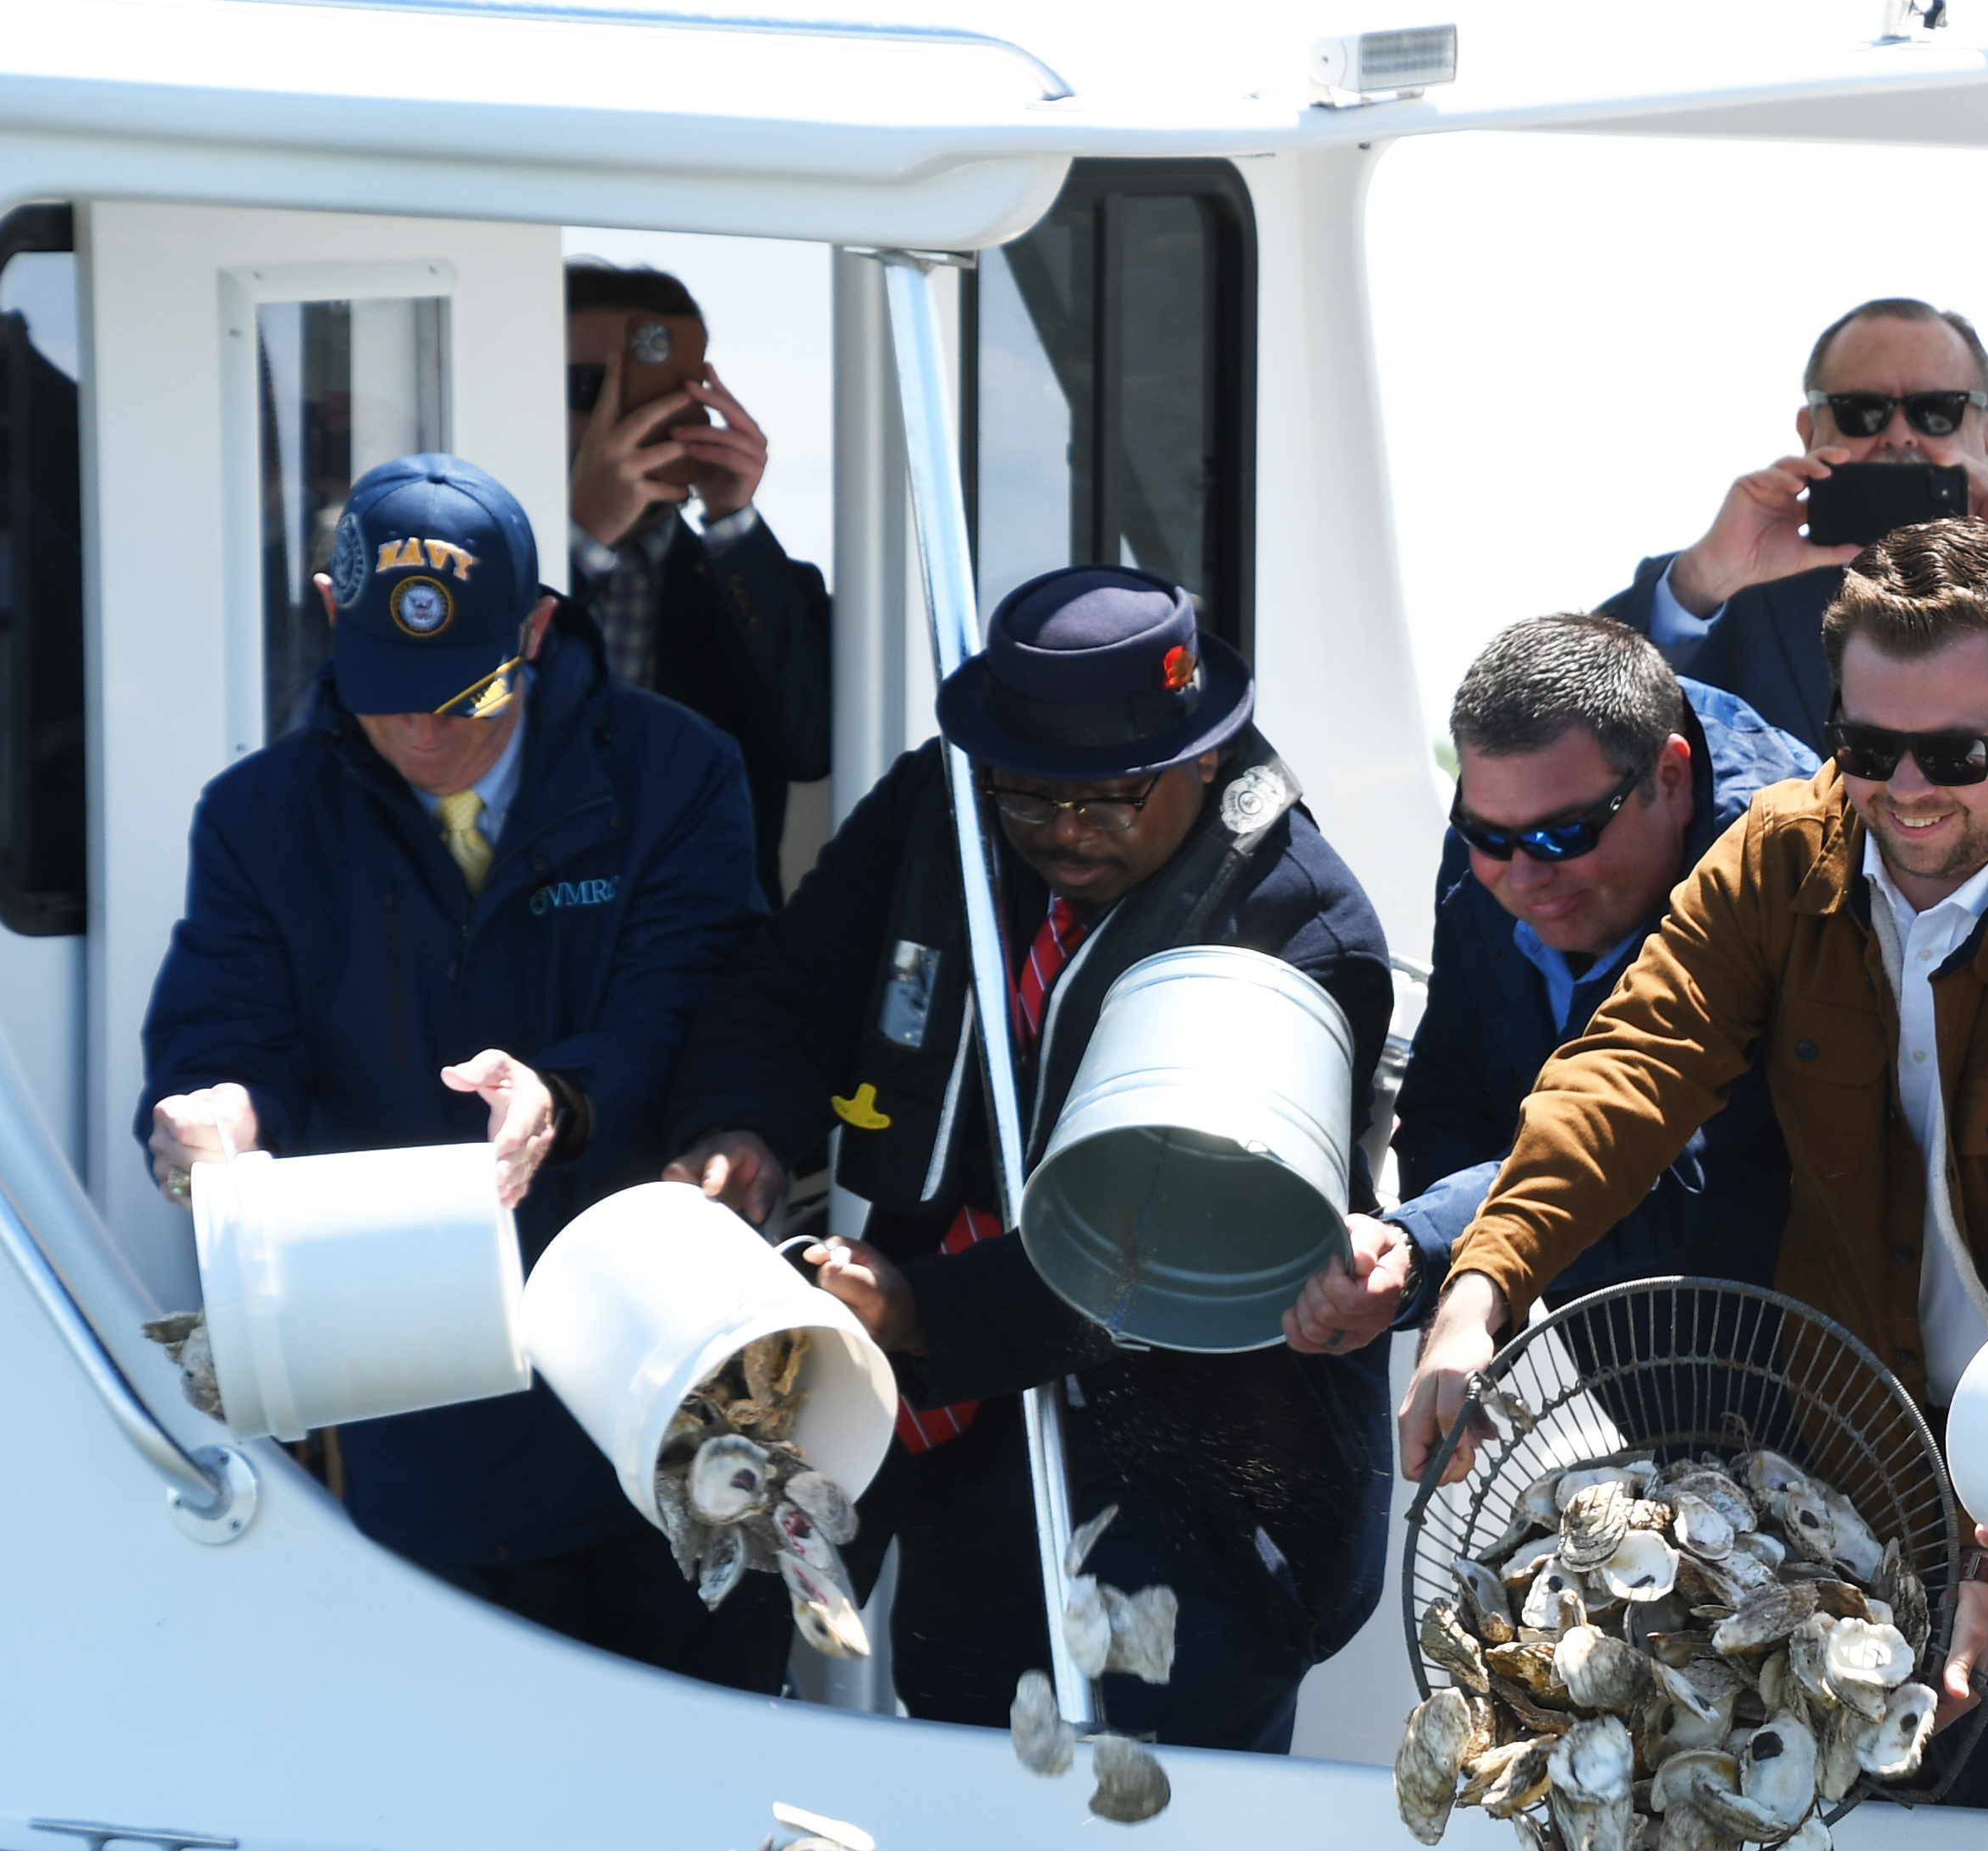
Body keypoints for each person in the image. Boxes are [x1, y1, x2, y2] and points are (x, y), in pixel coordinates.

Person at [1408, 519, 1988, 1816]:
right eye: (1868, 747)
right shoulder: (1779, 851)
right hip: (1859, 1458)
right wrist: (1478, 1291)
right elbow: (1633, 1062)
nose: (1906, 789)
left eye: (1955, 753)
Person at [678, 566, 1400, 1753]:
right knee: (968, 1757)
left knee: (1168, 1818)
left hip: (1204, 1475)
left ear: (1205, 761)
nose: (1064, 832)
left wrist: (918, 1310)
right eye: (1032, 797)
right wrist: (741, 1129)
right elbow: (786, 991)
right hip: (963, 1452)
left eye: (1111, 800)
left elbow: (1169, 1237)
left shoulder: (1299, 925)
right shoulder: (941, 813)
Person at [139, 450, 789, 1680]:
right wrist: (212, 1117)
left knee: (710, 1771)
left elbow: (693, 1007)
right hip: (422, 1403)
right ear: (334, 621)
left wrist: (567, 1095)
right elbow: (227, 1032)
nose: (426, 729)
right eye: (390, 691)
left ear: (539, 631)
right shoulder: (256, 818)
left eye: (467, 692)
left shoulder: (677, 772)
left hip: (670, 1378)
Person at [1282, 617, 1817, 1359]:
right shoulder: (1506, 829)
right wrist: (1447, 1303)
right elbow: (1458, 1086)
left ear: (1670, 774)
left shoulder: (1791, 864)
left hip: (1825, 1360)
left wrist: (1433, 1252)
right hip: (1618, 1349)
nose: (1525, 876)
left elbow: (1674, 1158)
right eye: (1486, 835)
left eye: (1564, 836)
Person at [1606, 299, 1988, 835]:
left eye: (1935, 411)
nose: (1899, 436)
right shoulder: (1721, 598)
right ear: (1809, 428)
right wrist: (1698, 584)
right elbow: (1575, 751)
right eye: (1861, 412)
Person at [565, 261, 834, 909]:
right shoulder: (469, 568)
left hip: (702, 952)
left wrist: (732, 519)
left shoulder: (752, 580)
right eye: (592, 387)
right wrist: (582, 537)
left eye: (663, 388)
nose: (628, 413)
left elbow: (809, 744)